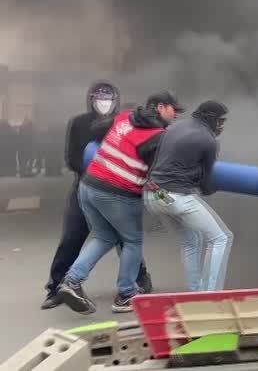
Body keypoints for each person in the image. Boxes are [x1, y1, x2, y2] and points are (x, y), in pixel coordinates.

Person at [57, 91, 182, 315]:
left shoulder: (125, 116)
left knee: (104, 237)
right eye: (175, 110)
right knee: (132, 241)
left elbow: (95, 130)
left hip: (89, 185)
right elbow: (159, 174)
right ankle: (125, 295)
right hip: (117, 193)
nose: (176, 115)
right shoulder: (158, 136)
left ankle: (71, 281)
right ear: (161, 107)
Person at [42, 82, 154, 310]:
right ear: (90, 99)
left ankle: (139, 279)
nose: (104, 102)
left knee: (125, 237)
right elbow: (72, 158)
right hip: (86, 185)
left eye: (109, 98)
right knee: (73, 236)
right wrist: (99, 172)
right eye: (99, 97)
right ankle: (56, 287)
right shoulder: (79, 123)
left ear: (116, 100)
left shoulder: (123, 121)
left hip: (118, 187)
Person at [144, 101, 231, 291]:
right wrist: (218, 184)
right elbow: (206, 187)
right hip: (175, 197)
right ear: (211, 119)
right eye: (221, 121)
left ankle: (195, 291)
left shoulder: (175, 127)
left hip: (155, 195)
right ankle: (210, 293)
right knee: (221, 238)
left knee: (191, 241)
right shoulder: (208, 140)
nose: (222, 126)